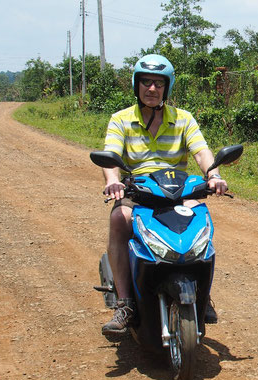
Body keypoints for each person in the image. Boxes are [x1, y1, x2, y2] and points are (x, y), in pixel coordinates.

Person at [100, 54, 227, 338]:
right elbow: (110, 157)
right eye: (146, 82)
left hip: (178, 192)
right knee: (120, 218)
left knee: (202, 219)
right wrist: (113, 182)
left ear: (167, 87)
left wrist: (214, 176)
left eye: (159, 83)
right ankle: (125, 304)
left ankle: (203, 295)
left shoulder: (183, 119)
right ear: (137, 85)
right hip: (138, 192)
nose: (152, 89)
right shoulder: (121, 120)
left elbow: (201, 151)